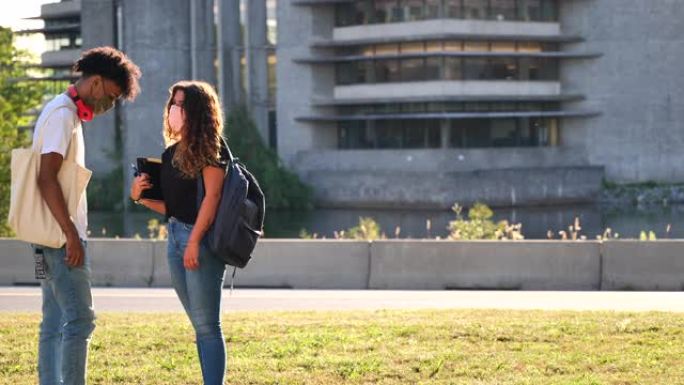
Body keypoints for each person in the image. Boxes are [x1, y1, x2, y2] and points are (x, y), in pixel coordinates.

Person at [35, 47, 141, 385]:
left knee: (53, 321)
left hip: (51, 235)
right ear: (95, 83)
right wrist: (70, 235)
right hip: (59, 238)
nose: (110, 105)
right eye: (110, 96)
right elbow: (45, 177)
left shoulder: (66, 114)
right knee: (81, 320)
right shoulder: (62, 115)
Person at [130, 81, 228, 385]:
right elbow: (172, 208)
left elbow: (211, 200)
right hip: (174, 237)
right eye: (172, 103)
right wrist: (140, 197)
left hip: (199, 240)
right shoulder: (171, 153)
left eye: (181, 104)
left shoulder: (212, 150)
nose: (174, 109)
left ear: (197, 111)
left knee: (208, 326)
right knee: (199, 325)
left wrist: (195, 242)